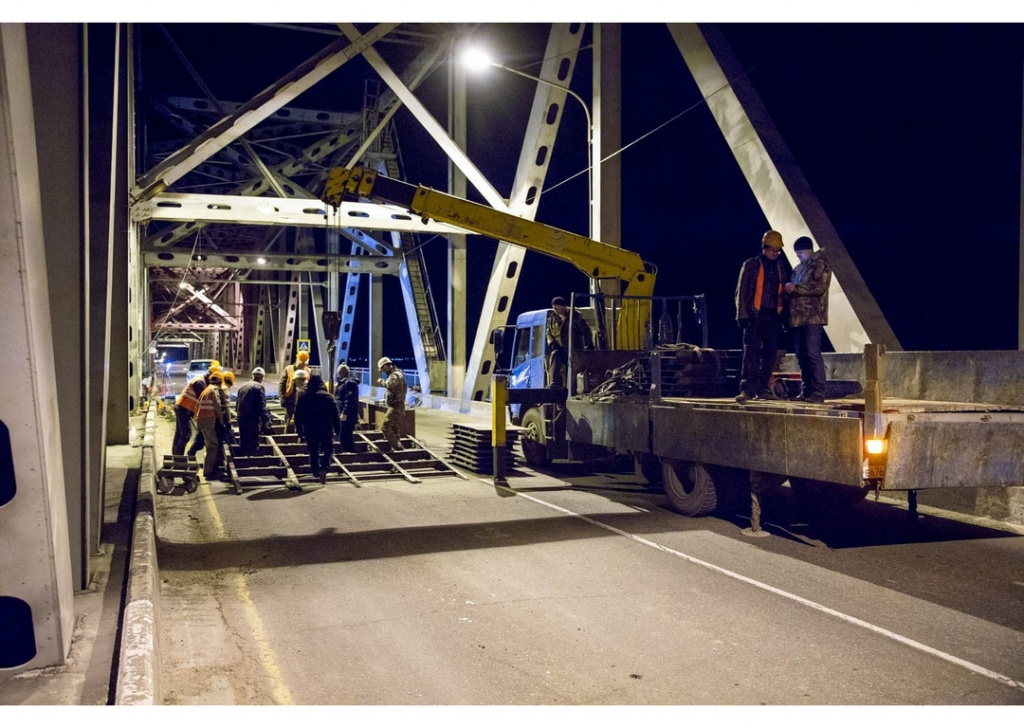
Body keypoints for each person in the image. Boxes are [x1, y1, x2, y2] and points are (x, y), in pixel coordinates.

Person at [734, 230, 790, 403]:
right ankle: (747, 389)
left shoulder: (780, 267)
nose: (776, 253)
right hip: (754, 316)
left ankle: (763, 388)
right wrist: (742, 315)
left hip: (773, 316)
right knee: (751, 353)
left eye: (778, 250)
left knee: (769, 354)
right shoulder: (751, 264)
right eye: (773, 250)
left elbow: (783, 293)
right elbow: (741, 291)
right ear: (765, 248)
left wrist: (785, 316)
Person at [784, 236, 832, 403]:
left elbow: (819, 287)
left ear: (807, 250)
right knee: (802, 355)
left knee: (812, 353)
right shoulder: (798, 269)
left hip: (812, 317)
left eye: (799, 253)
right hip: (798, 318)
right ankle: (806, 391)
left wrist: (796, 288)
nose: (798, 256)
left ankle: (818, 392)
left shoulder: (820, 264)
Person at [294, 374, 342, 484]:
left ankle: (315, 471)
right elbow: (335, 416)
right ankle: (324, 467)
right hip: (325, 429)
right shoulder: (329, 397)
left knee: (313, 451)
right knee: (328, 450)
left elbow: (298, 416)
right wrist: (338, 431)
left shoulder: (304, 398)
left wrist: (300, 432)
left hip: (310, 429)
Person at [173, 360, 221, 456]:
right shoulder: (200, 382)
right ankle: (179, 457)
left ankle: (176, 456)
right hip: (184, 408)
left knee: (180, 433)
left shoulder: (203, 381)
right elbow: (202, 400)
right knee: (186, 434)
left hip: (183, 407)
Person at [546, 296, 592, 388]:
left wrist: (589, 344)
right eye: (553, 306)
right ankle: (554, 383)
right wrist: (552, 343)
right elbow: (548, 333)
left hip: (574, 348)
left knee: (573, 370)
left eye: (557, 306)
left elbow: (586, 331)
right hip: (561, 349)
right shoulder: (552, 319)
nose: (555, 308)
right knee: (555, 355)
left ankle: (571, 388)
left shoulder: (575, 317)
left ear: (563, 306)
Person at [195, 371, 228, 482]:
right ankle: (208, 472)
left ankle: (211, 468)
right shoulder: (214, 390)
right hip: (208, 419)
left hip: (202, 419)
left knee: (210, 444)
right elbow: (217, 405)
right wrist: (222, 421)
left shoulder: (207, 389)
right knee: (213, 445)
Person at [235, 367, 270, 456]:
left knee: (244, 439)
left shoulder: (243, 387)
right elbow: (263, 406)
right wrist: (266, 421)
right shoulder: (259, 387)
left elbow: (237, 403)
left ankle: (243, 460)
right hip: (252, 418)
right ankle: (252, 458)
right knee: (253, 440)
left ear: (252, 375)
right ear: (262, 377)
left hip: (241, 417)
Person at [377, 356, 407, 451]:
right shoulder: (394, 374)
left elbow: (389, 385)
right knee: (394, 428)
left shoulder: (395, 375)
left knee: (385, 427)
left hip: (396, 406)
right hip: (396, 405)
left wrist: (381, 382)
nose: (382, 371)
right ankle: (398, 449)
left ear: (386, 365)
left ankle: (397, 448)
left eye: (382, 368)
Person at [279, 351, 310, 433]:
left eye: (304, 363)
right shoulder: (288, 369)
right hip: (290, 399)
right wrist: (282, 398)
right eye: (301, 363)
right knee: (290, 421)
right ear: (297, 360)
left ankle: (301, 439)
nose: (303, 365)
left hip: (304, 401)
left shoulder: (308, 371)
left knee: (302, 421)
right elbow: (282, 384)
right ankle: (287, 438)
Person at [334, 363, 360, 453]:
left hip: (347, 415)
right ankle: (347, 451)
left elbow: (349, 399)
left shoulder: (349, 383)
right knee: (343, 434)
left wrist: (344, 412)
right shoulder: (342, 383)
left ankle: (349, 452)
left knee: (346, 434)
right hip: (342, 414)